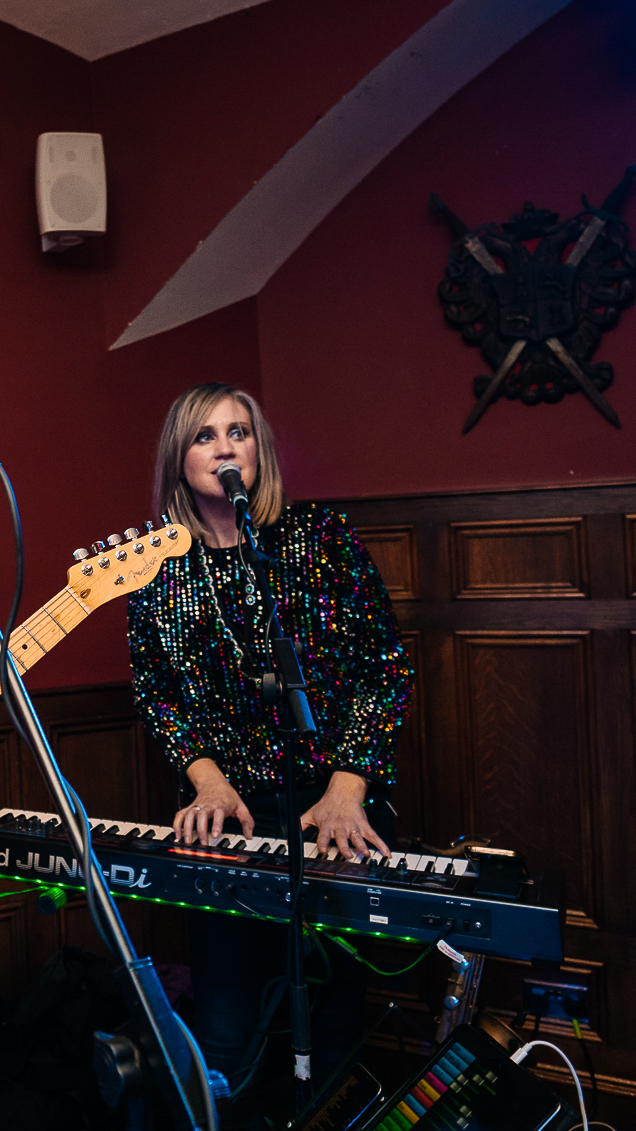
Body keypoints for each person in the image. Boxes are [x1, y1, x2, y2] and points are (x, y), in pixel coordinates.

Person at [125, 382, 412, 1091]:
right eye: (205, 435)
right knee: (226, 1028)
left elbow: (385, 668)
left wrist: (347, 789)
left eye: (239, 433)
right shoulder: (155, 568)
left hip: (330, 806)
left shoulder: (322, 538)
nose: (226, 447)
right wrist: (206, 779)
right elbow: (157, 694)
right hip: (230, 815)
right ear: (180, 458)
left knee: (337, 1022)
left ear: (260, 451)